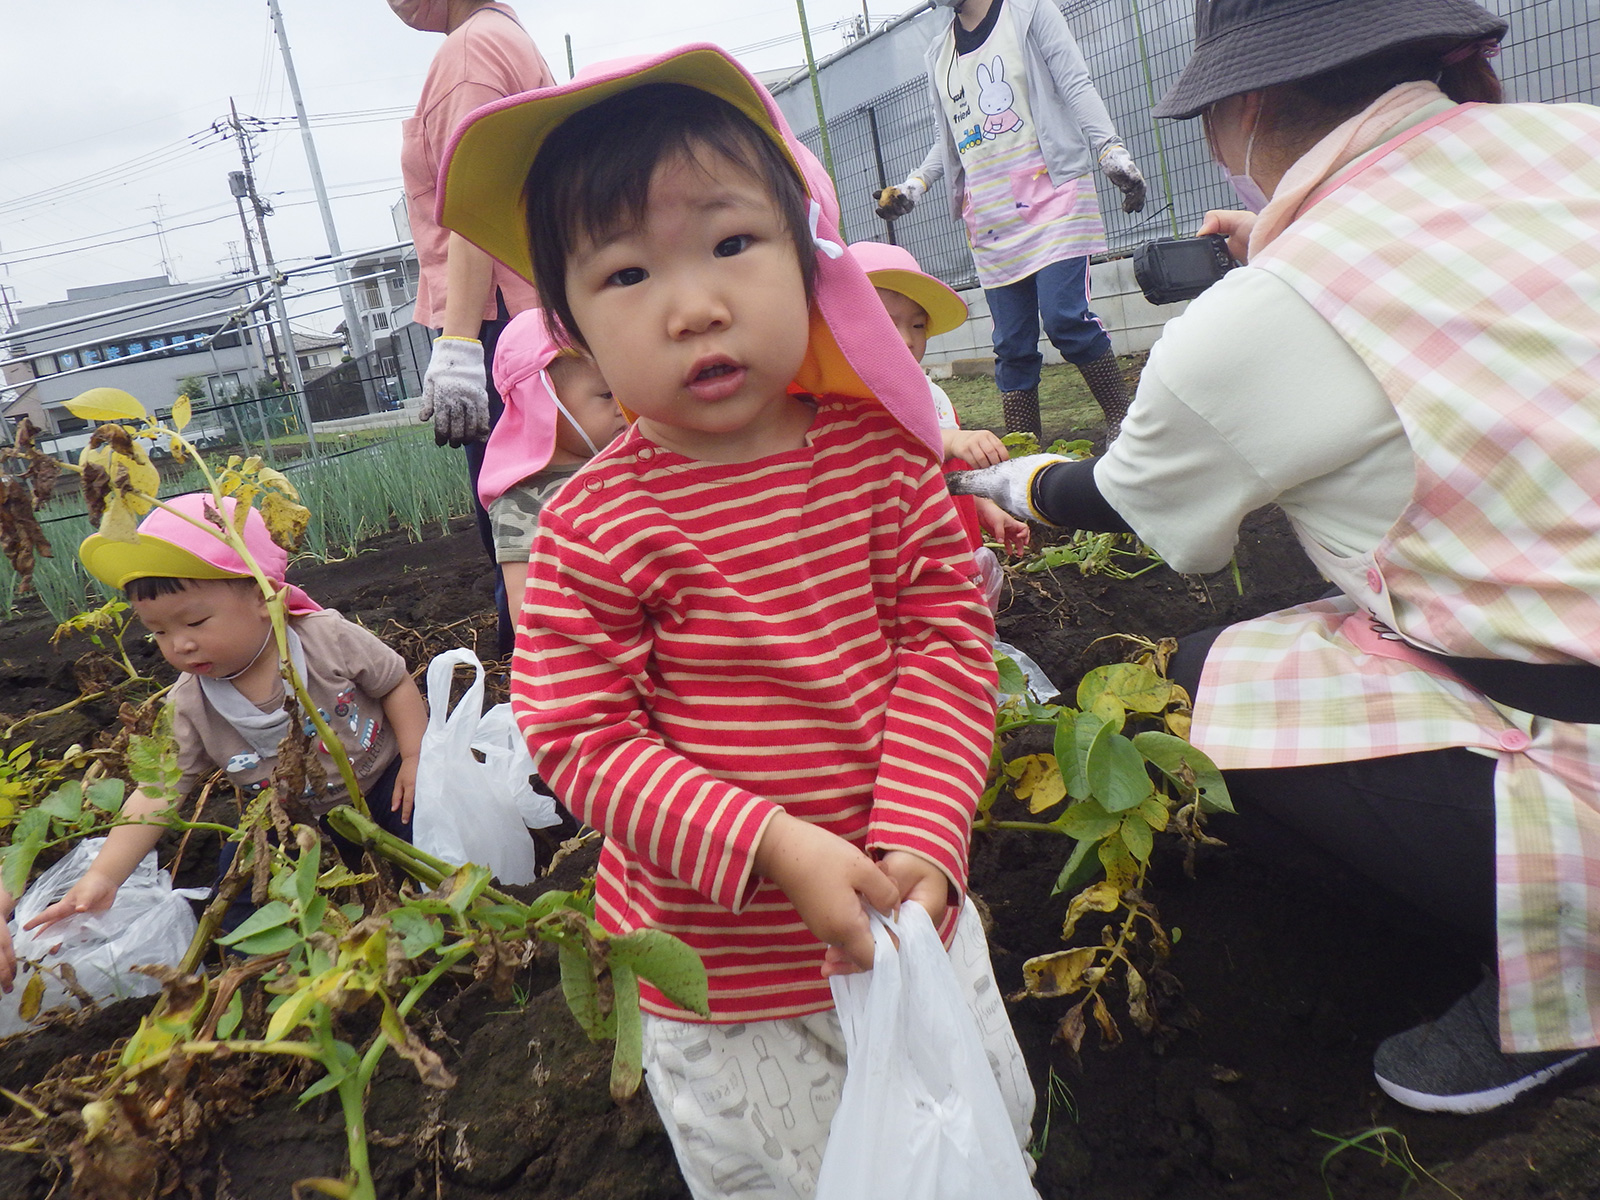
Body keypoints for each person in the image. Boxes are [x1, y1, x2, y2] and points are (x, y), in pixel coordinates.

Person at [951, 0, 1600, 1115]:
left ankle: (1562, 967)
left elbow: (1125, 500)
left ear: (1242, 105)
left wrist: (1011, 481)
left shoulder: (1265, 316)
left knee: (1195, 687)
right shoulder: (1572, 136)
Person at [436, 44, 1036, 1196]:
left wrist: (923, 830)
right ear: (571, 334)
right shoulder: (590, 527)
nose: (695, 305)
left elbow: (944, 641)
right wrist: (771, 845)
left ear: (807, 263)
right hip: (726, 980)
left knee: (963, 1150)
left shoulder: (883, 463)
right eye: (626, 274)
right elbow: (579, 735)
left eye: (731, 244)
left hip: (909, 920)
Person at [0, 493, 427, 985]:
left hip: (383, 783)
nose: (180, 644)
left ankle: (432, 918)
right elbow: (158, 792)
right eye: (159, 632)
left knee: (423, 838)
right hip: (285, 818)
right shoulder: (190, 703)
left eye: (195, 622)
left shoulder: (324, 637)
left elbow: (393, 683)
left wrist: (415, 756)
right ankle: (258, 973)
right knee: (240, 886)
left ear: (264, 597)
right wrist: (104, 877)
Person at [874, 0, 1147, 442]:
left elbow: (1075, 83)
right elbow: (952, 135)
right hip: (991, 218)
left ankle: (1129, 426)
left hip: (1054, 197)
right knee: (1011, 345)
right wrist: (915, 185)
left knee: (1065, 318)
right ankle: (1023, 451)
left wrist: (1110, 150)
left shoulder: (1030, 11)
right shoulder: (940, 53)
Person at [394, 0, 556, 657]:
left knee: (518, 507)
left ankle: (537, 665)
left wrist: (459, 343)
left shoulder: (470, 52)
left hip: (500, 322)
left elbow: (473, 201)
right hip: (524, 311)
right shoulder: (501, 38)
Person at [850, 238, 1030, 610]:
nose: (907, 339)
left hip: (956, 544)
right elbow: (890, 447)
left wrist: (986, 509)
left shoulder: (931, 394)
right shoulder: (848, 401)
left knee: (969, 619)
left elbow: (948, 474)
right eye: (886, 322)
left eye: (918, 325)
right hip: (905, 565)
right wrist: (949, 440)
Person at [477, 308, 627, 606]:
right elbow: (524, 601)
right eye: (607, 395)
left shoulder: (634, 465)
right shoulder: (524, 501)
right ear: (542, 403)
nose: (623, 407)